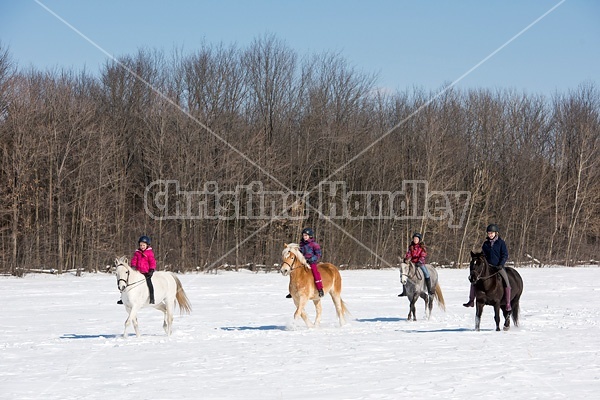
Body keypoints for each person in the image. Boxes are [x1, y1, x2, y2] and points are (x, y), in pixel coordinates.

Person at [463, 224, 511, 311]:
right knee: (474, 280)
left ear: (496, 233)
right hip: (488, 267)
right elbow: (483, 255)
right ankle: (471, 300)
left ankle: (507, 303)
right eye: (489, 233)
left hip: (498, 267)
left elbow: (505, 255)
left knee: (506, 282)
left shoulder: (501, 243)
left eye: (492, 233)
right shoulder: (485, 244)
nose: (490, 235)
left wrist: (501, 264)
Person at [117, 235, 157, 305]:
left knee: (149, 284)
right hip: (138, 272)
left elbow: (152, 262)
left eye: (143, 245)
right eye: (141, 245)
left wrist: (151, 269)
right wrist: (133, 266)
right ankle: (122, 298)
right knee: (127, 282)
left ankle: (152, 298)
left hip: (146, 272)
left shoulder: (149, 253)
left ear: (147, 245)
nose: (142, 246)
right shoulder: (137, 253)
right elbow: (134, 260)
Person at [286, 227, 324, 298]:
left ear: (310, 236)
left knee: (315, 272)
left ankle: (320, 289)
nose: (305, 237)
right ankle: (292, 291)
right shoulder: (301, 244)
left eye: (306, 235)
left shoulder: (314, 244)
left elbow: (318, 254)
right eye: (303, 235)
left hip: (311, 262)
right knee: (293, 272)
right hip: (303, 262)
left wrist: (312, 259)